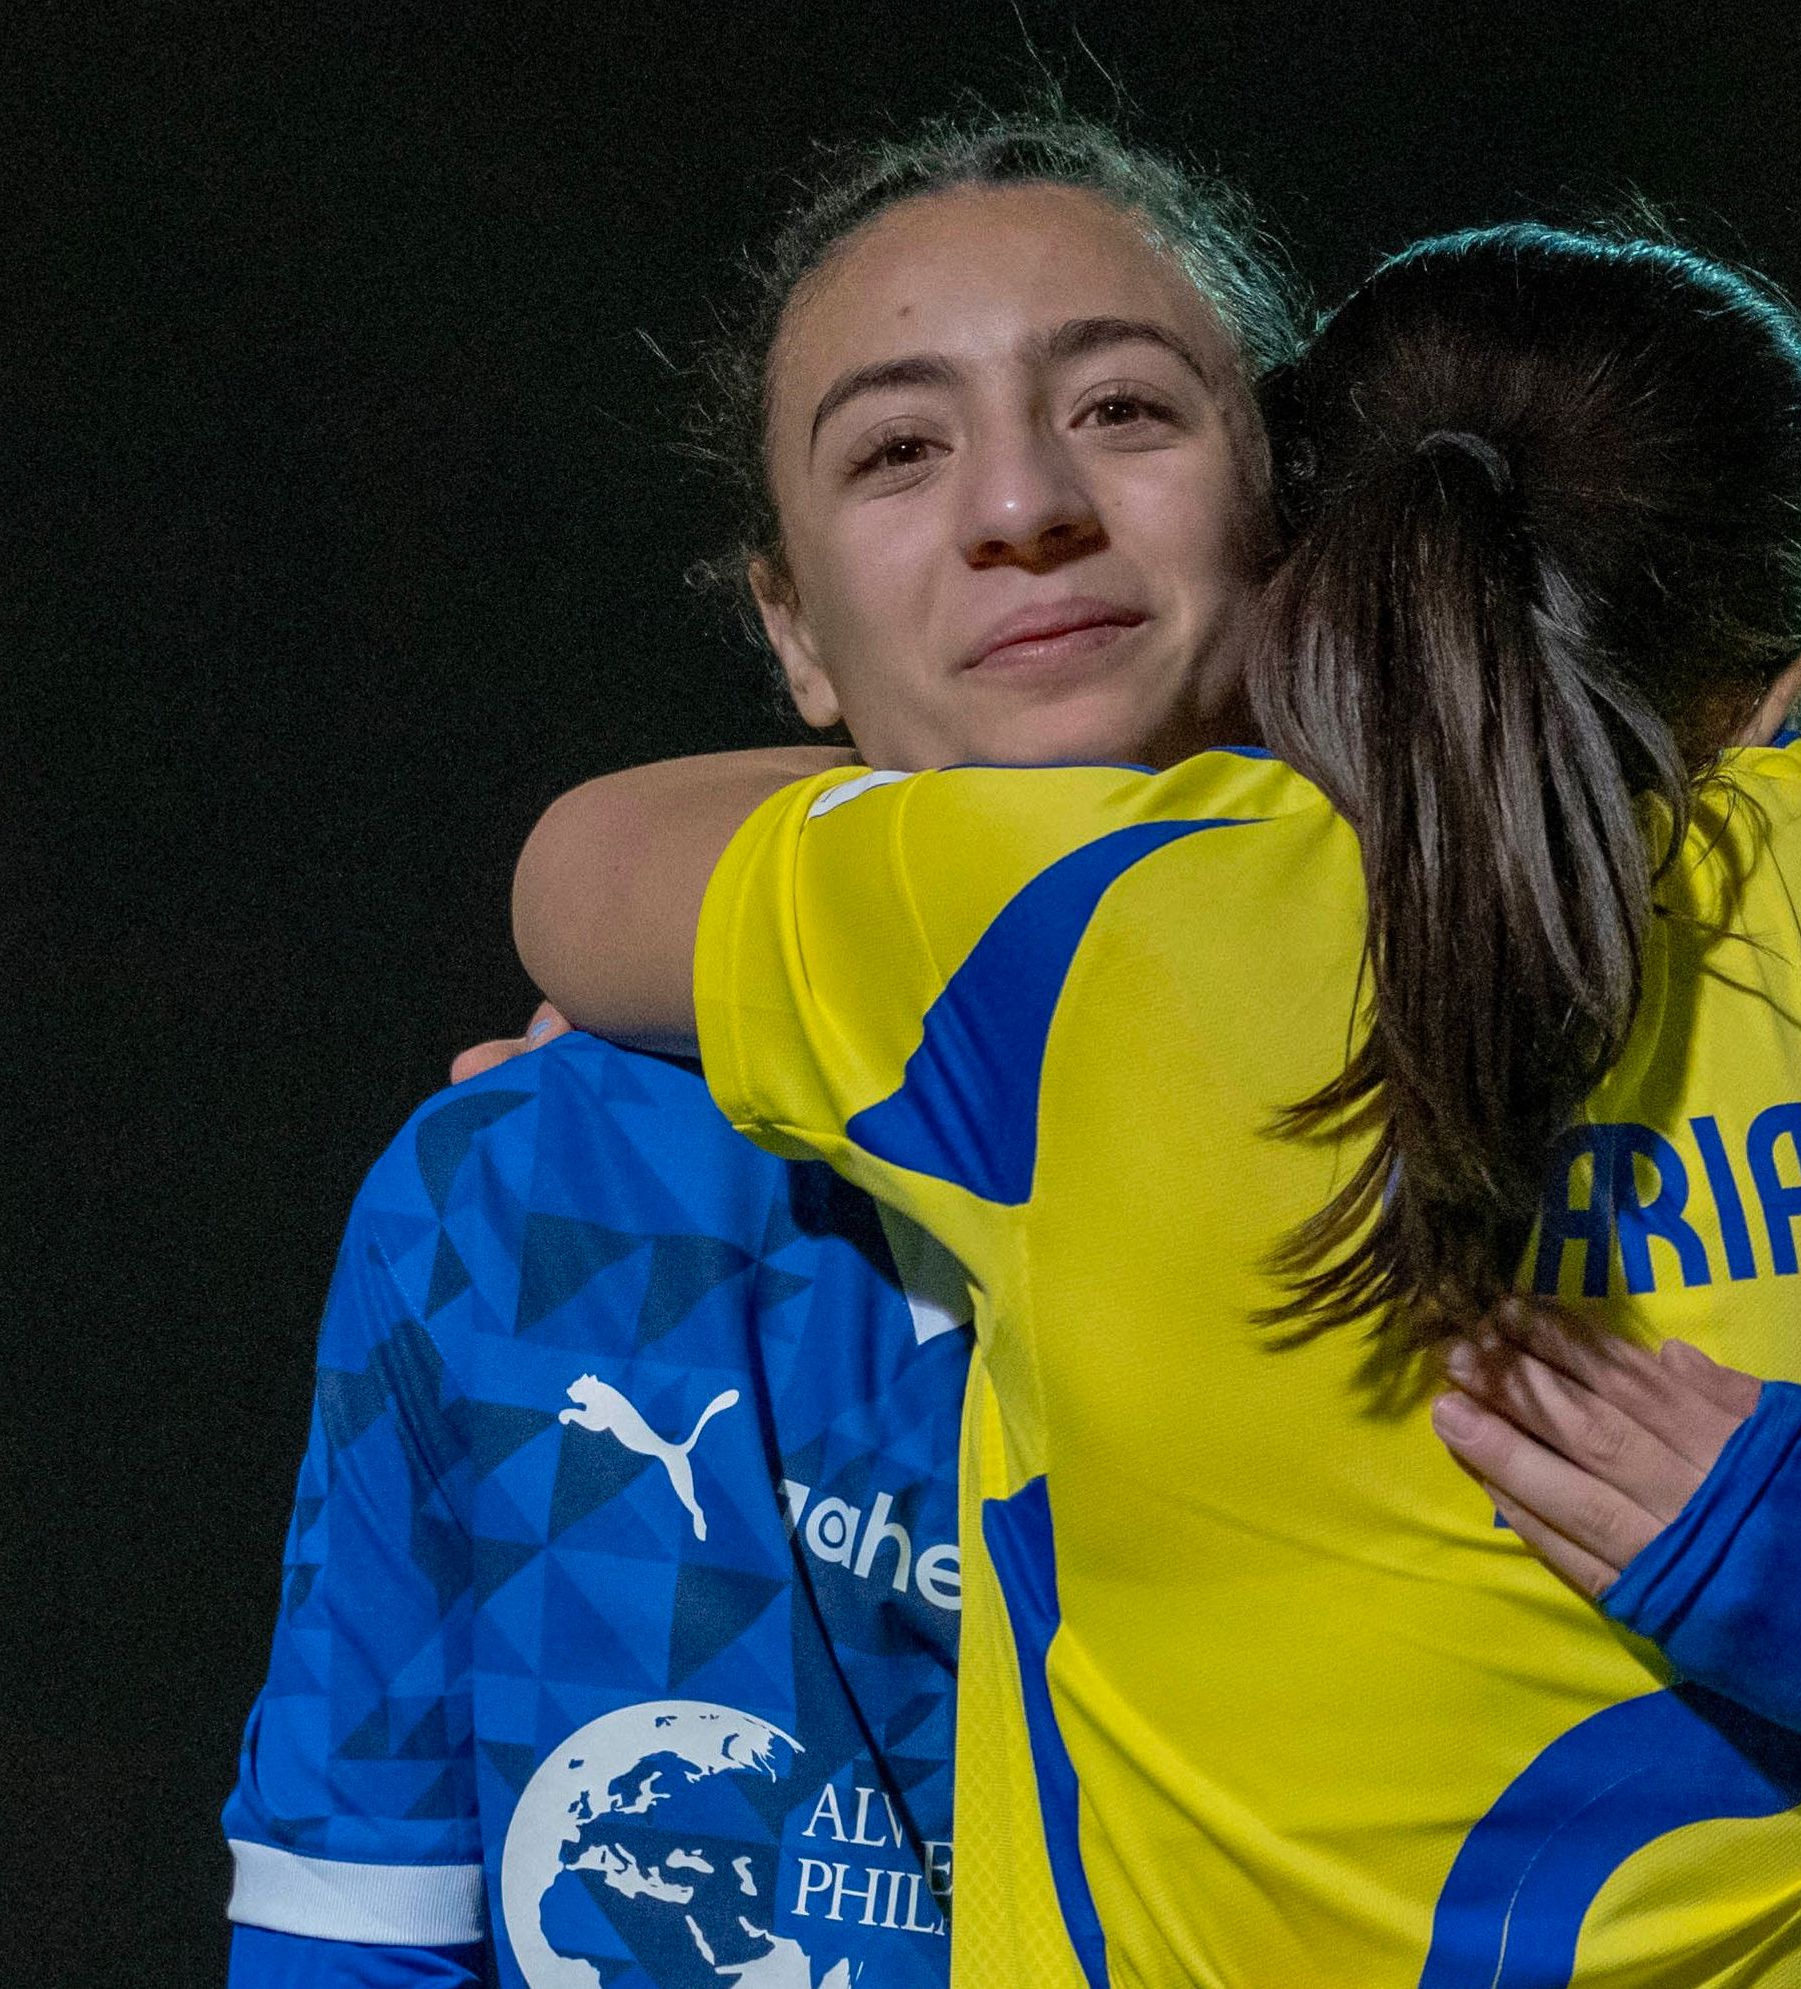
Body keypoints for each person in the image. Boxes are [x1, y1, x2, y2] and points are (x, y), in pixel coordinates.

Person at [513, 223, 1801, 1988]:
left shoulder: (1071, 944)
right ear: (1784, 676)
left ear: (1312, 566)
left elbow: (577, 873)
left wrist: (927, 861)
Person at [217, 112, 1307, 1989]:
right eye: (899, 446)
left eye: (1126, 408)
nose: (1022, 503)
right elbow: (356, 1934)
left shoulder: (1491, 1130)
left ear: (1296, 513)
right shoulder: (521, 1196)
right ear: (792, 634)